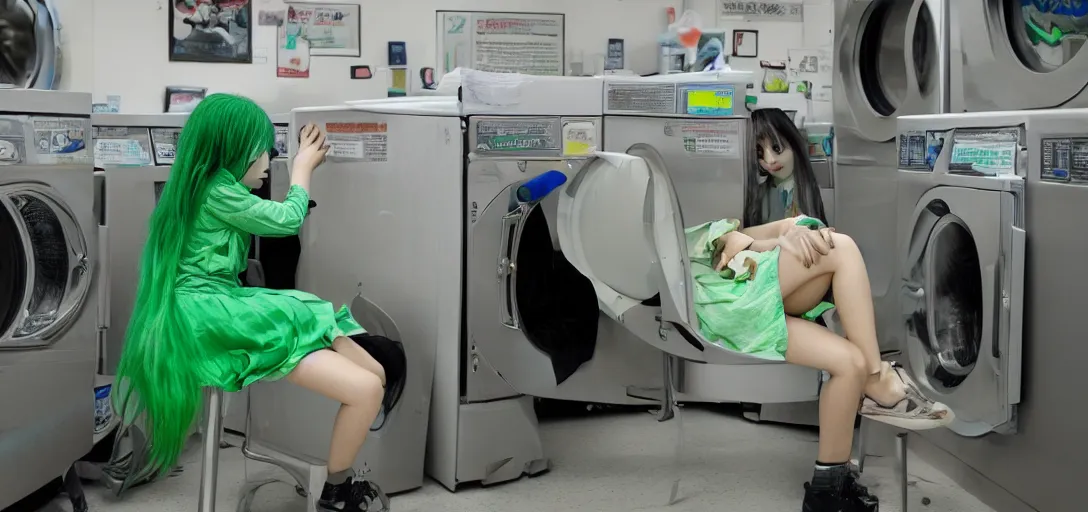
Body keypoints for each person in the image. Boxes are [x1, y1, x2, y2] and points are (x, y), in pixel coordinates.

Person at [107, 94, 404, 512]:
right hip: (205, 315)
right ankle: (337, 492)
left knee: (357, 368)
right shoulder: (215, 190)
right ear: (231, 149)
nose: (269, 158)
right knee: (308, 313)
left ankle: (341, 478)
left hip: (210, 306)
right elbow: (287, 220)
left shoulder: (202, 188)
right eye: (263, 148)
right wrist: (302, 168)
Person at [687, 216, 953, 511]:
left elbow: (755, 234)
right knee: (839, 247)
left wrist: (795, 229)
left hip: (748, 302)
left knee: (850, 363)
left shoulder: (705, 229)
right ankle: (876, 381)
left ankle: (827, 491)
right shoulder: (679, 237)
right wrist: (776, 241)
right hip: (724, 305)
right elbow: (731, 249)